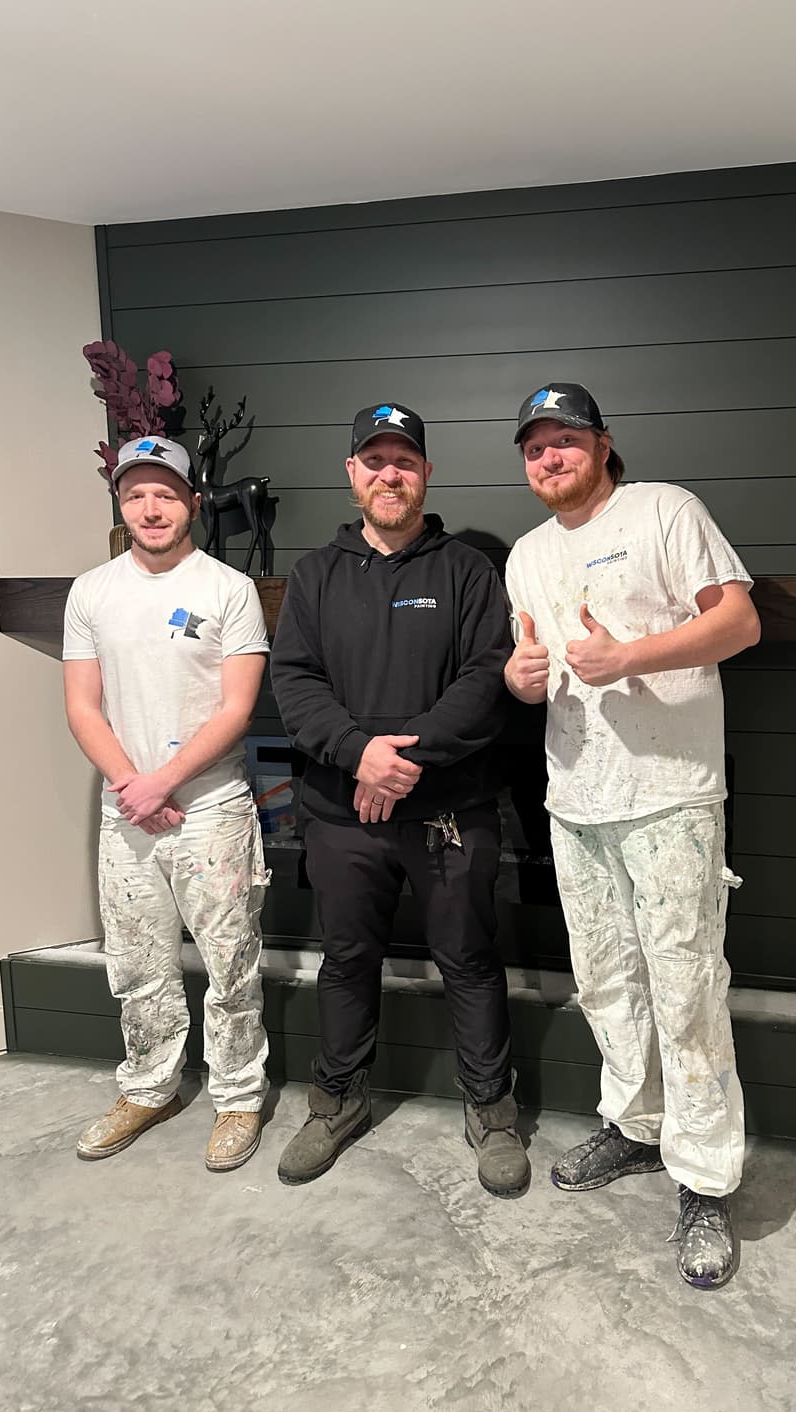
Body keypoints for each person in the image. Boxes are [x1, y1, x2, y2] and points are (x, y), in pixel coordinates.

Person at [502, 383, 761, 1288]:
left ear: (604, 444)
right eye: (535, 446)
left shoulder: (667, 511)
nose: (550, 457)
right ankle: (638, 1127)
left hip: (673, 793)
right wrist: (522, 675)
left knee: (686, 986)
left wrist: (632, 656)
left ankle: (705, 1178)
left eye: (566, 439)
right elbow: (532, 669)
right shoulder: (528, 554)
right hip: (576, 796)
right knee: (606, 977)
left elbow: (739, 620)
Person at [269, 402, 528, 1197]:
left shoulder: (467, 571)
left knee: (472, 962)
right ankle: (338, 1100)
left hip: (449, 811)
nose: (391, 474)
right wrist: (360, 757)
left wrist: (401, 761)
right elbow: (294, 682)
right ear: (352, 475)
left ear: (425, 474)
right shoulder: (315, 574)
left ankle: (491, 1110)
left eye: (405, 462)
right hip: (340, 815)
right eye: (375, 461)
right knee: (347, 960)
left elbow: (487, 678)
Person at [63, 436, 271, 1172]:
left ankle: (239, 1095)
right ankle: (149, 1087)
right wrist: (134, 785)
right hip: (126, 816)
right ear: (121, 503)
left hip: (212, 810)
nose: (150, 508)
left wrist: (166, 780)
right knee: (138, 963)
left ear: (191, 501)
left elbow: (237, 707)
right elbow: (84, 706)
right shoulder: (92, 591)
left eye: (165, 493)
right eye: (134, 495)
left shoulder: (227, 589)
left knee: (230, 961)